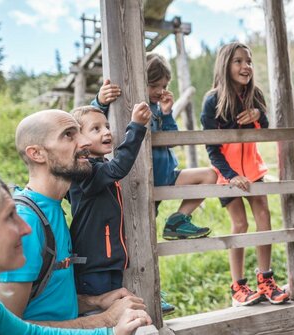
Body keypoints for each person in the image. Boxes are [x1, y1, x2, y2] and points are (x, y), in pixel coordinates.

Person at [0, 110, 146, 328]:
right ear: (37, 153)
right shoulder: (24, 223)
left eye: (80, 132)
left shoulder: (53, 209)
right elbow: (5, 329)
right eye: (68, 134)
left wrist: (95, 301)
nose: (85, 141)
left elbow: (46, 300)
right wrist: (105, 321)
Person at [0, 176, 152, 334]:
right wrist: (106, 320)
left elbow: (29, 332)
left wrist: (107, 324)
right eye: (10, 217)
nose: (26, 228)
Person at [200, 42, 289, 306]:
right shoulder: (213, 100)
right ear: (226, 65)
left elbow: (265, 127)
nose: (245, 66)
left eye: (248, 61)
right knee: (240, 224)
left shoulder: (255, 94)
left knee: (264, 217)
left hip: (252, 169)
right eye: (238, 61)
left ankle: (266, 280)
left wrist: (258, 114)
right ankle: (238, 287)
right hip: (226, 172)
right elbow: (211, 148)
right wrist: (229, 175)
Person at [92, 53, 216, 240]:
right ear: (142, 82)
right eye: (154, 85)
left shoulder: (158, 108)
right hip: (139, 178)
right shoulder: (127, 102)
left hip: (165, 175)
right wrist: (100, 101)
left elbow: (172, 139)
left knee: (210, 175)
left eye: (164, 86)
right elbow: (92, 117)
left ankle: (178, 221)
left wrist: (167, 113)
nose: (160, 91)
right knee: (141, 230)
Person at [67, 103, 150, 299]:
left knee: (114, 311)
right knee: (98, 316)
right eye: (96, 129)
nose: (106, 132)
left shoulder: (100, 165)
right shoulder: (86, 171)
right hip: (93, 264)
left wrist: (100, 101)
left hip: (109, 261)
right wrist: (136, 127)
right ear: (78, 139)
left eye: (107, 126)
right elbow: (118, 168)